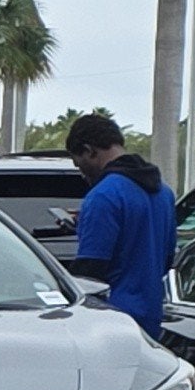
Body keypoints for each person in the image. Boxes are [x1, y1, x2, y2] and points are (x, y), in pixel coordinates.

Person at [64, 111, 175, 330]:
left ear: (89, 151)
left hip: (112, 322)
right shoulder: (164, 193)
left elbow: (90, 273)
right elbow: (166, 258)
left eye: (79, 164)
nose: (82, 173)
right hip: (151, 318)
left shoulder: (102, 196)